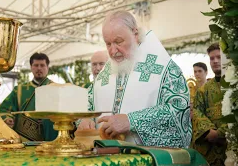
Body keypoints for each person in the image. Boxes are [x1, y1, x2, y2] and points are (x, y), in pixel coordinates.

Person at [77, 10, 191, 148]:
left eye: (118, 42)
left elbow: (179, 109)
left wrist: (132, 121)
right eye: (108, 44)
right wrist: (85, 117)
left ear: (135, 34)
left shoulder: (164, 68)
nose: (113, 51)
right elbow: (87, 102)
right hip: (105, 155)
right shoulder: (107, 72)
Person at [0, 52, 58, 141]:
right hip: (25, 141)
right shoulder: (19, 90)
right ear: (31, 67)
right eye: (36, 65)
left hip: (51, 138)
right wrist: (8, 119)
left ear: (47, 67)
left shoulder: (57, 89)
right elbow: (4, 109)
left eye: (42, 65)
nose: (39, 68)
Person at [192, 43, 227, 165]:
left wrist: (220, 133)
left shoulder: (234, 85)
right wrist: (208, 131)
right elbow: (196, 111)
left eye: (219, 57)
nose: (215, 61)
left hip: (230, 143)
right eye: (212, 58)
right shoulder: (203, 90)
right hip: (210, 145)